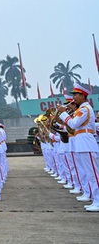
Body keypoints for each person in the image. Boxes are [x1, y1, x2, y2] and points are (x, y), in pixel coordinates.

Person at [56, 83, 99, 212]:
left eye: (76, 94)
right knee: (88, 173)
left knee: (93, 174)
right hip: (82, 142)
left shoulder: (85, 109)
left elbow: (74, 124)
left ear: (82, 95)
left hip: (86, 142)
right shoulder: (82, 109)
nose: (73, 97)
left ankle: (97, 199)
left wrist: (64, 114)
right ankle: (93, 197)